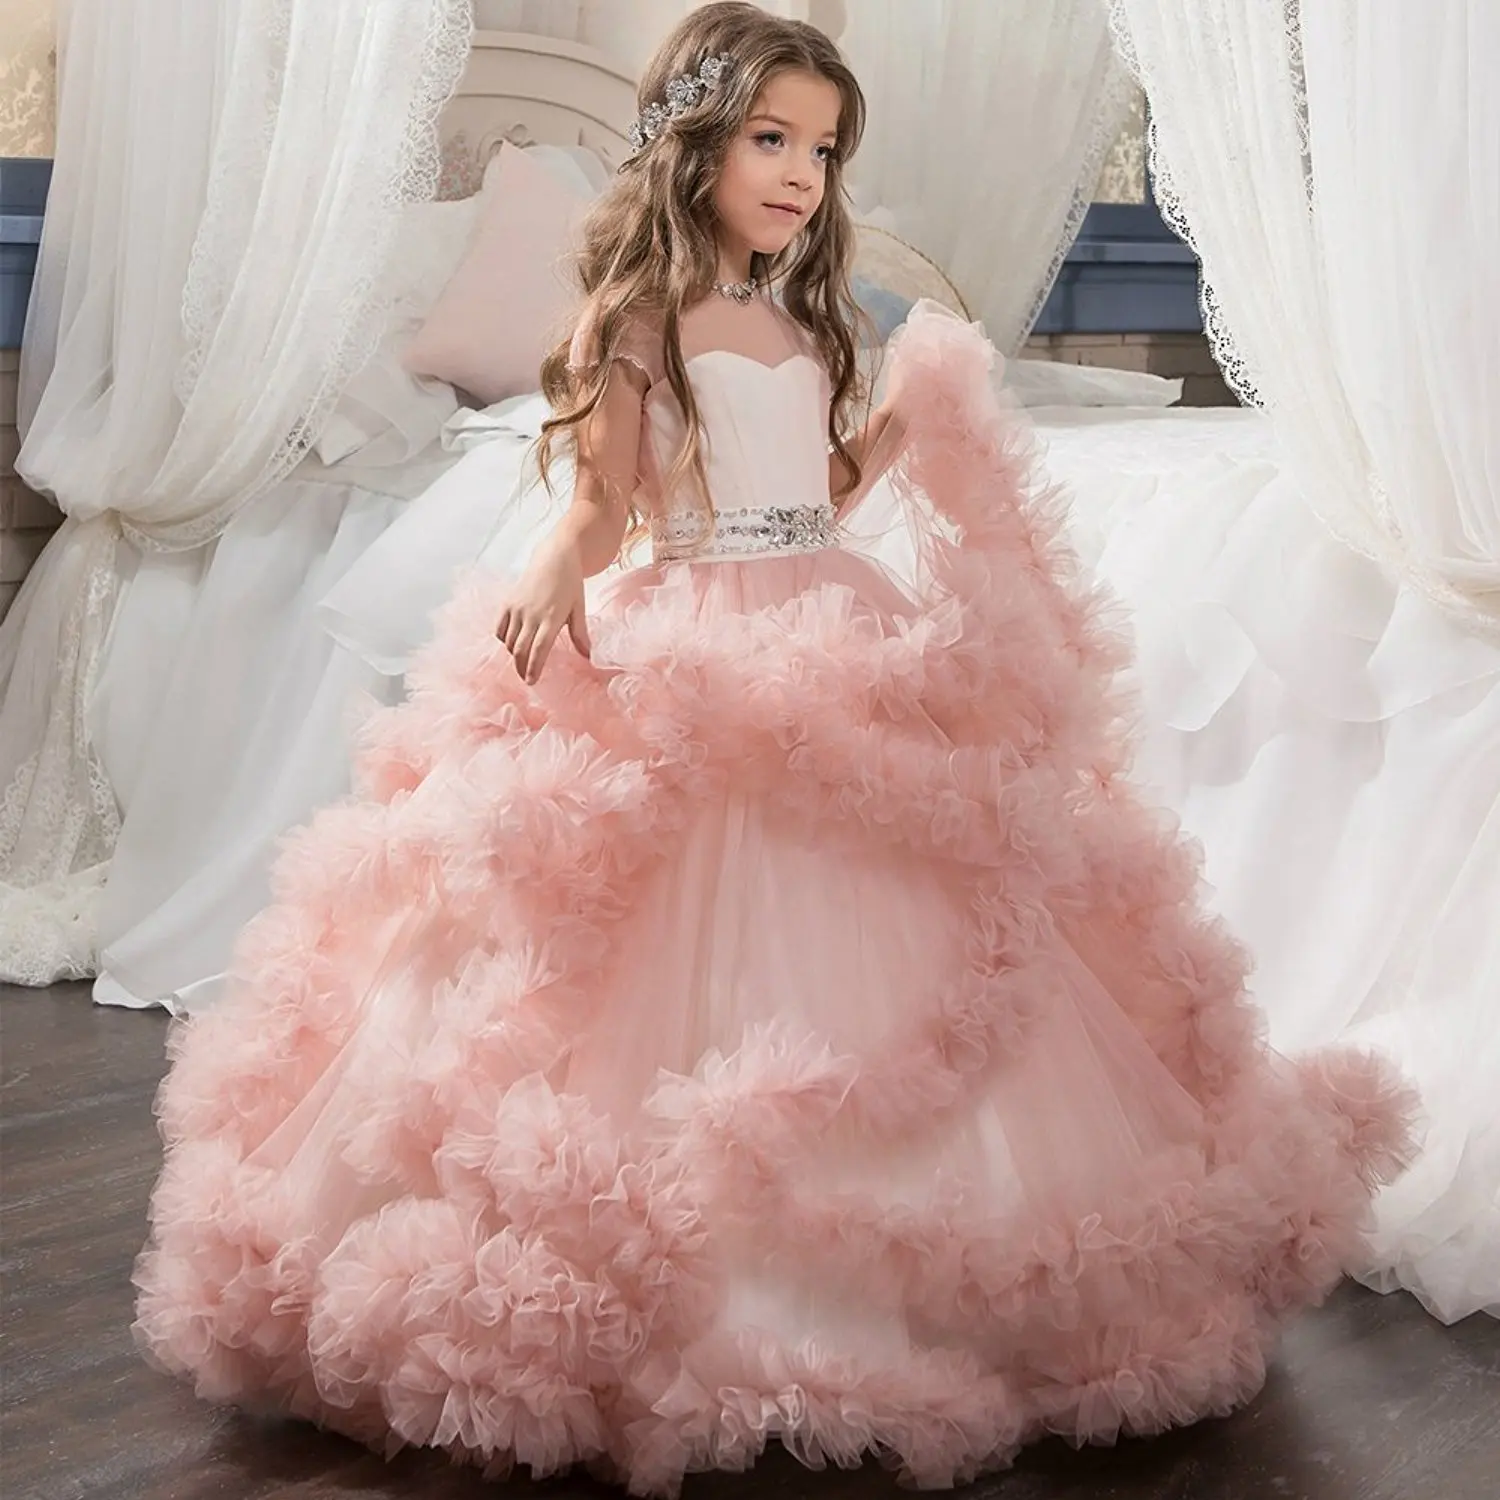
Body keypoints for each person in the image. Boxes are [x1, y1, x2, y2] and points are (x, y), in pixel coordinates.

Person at [133, 5, 1417, 1492]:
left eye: (822, 149)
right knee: (654, 920)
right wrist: (552, 565)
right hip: (693, 629)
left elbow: (820, 488)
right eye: (772, 139)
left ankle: (922, 1261)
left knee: (904, 898)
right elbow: (603, 501)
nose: (803, 173)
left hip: (834, 618)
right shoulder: (640, 318)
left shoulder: (809, 317)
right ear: (697, 144)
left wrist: (912, 420)